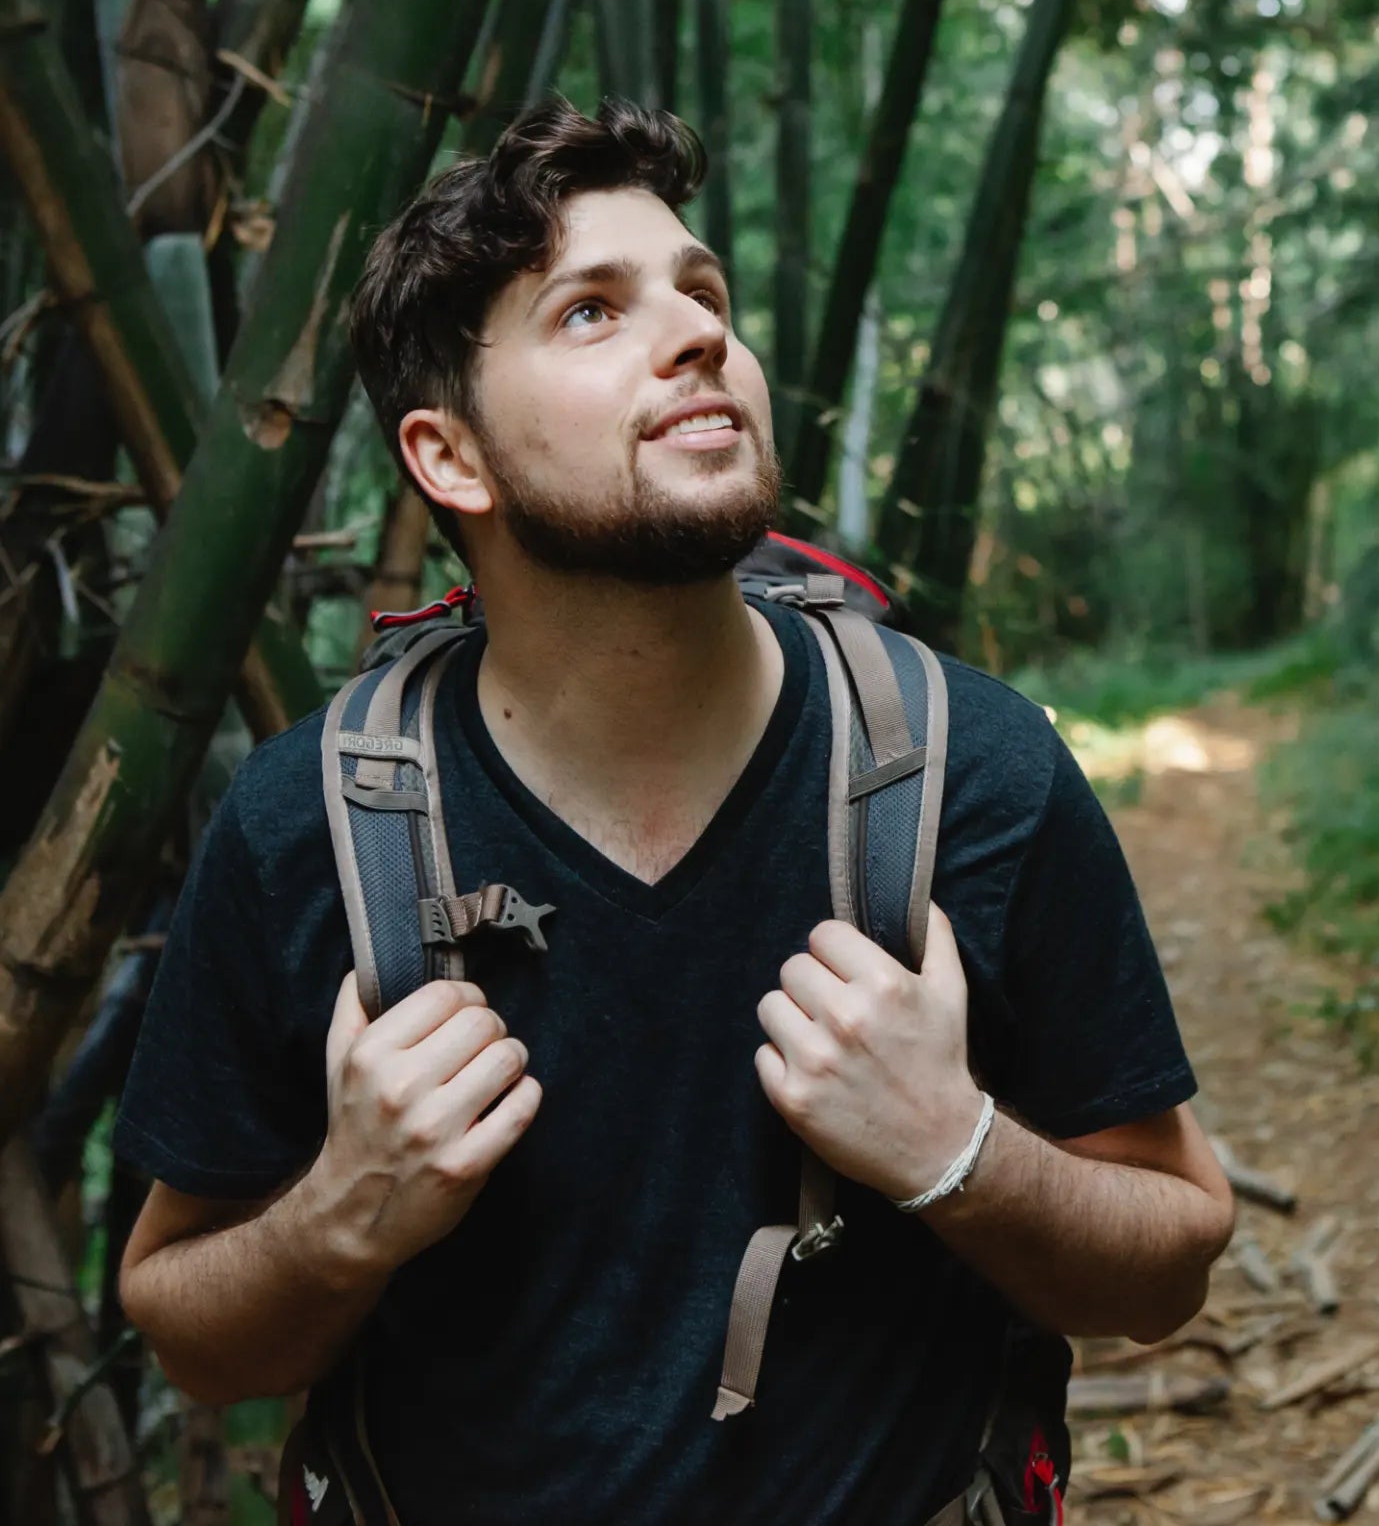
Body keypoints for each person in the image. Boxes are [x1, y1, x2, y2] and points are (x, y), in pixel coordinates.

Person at [113, 99, 1235, 1525]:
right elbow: (192, 1333)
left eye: (702, 292)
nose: (699, 333)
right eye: (592, 312)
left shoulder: (974, 772)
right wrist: (348, 1213)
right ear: (449, 458)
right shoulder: (309, 829)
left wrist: (958, 1153)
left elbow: (1171, 1256)